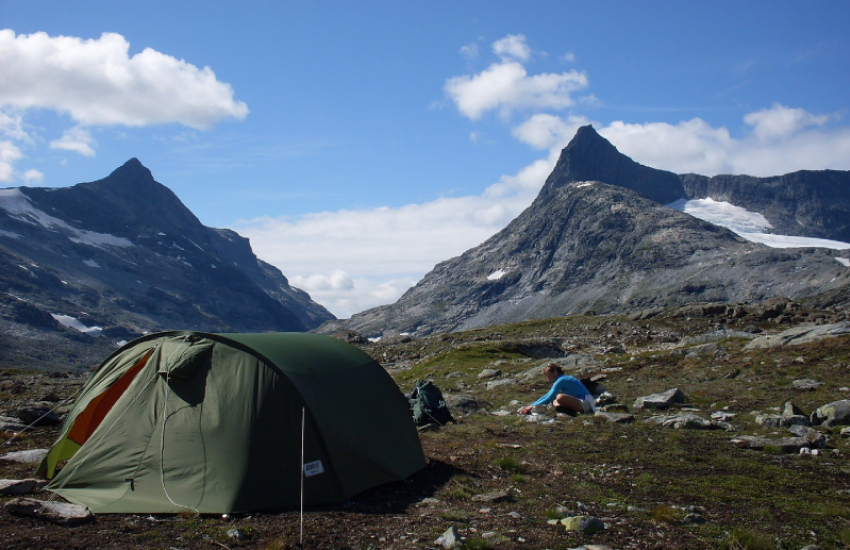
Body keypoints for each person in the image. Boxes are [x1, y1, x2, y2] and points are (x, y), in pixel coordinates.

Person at [519, 363, 596, 415]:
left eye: (549, 375)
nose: (548, 378)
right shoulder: (563, 379)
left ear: (555, 372)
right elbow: (548, 395)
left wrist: (529, 407)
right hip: (581, 402)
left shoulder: (561, 380)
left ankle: (570, 412)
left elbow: (548, 397)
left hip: (586, 404)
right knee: (555, 400)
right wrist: (532, 405)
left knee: (559, 397)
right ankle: (568, 411)